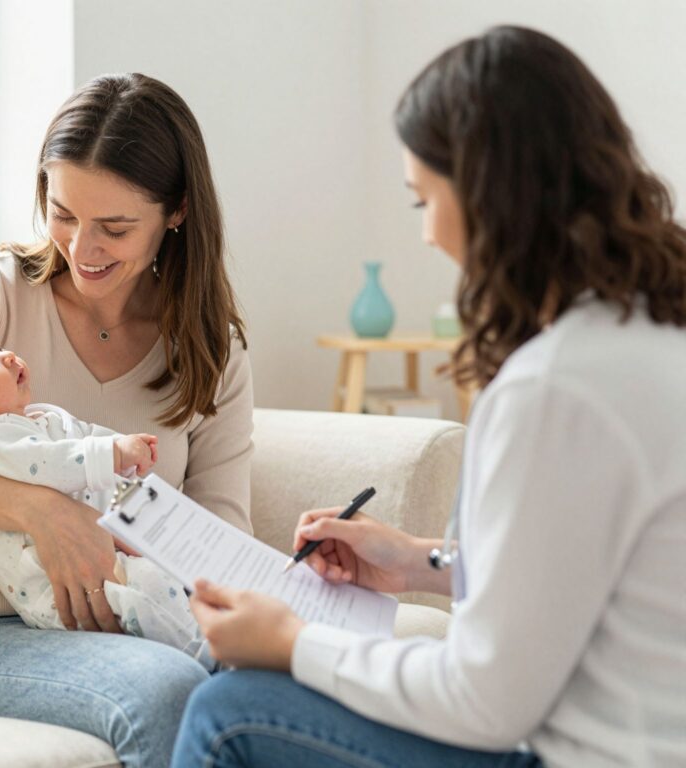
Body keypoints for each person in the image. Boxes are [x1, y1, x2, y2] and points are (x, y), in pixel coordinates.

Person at [172, 25, 686, 768]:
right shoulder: (653, 330)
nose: (428, 236)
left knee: (228, 712)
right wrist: (424, 562)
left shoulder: (555, 389)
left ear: (487, 198)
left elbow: (484, 698)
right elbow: (593, 574)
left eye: (423, 202)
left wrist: (292, 643)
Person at [0, 73, 253, 767]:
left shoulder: (210, 346)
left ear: (178, 212)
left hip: (143, 620)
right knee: (169, 692)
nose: (82, 247)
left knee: (287, 687)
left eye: (116, 227)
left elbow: (221, 527)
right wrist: (43, 512)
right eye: (62, 213)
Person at [0, 320, 209, 664]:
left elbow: (78, 439)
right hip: (62, 593)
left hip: (106, 563)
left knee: (171, 585)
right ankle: (203, 653)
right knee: (152, 589)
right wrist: (115, 452)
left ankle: (211, 642)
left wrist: (120, 465)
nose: (8, 357)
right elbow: (49, 464)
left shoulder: (31, 422)